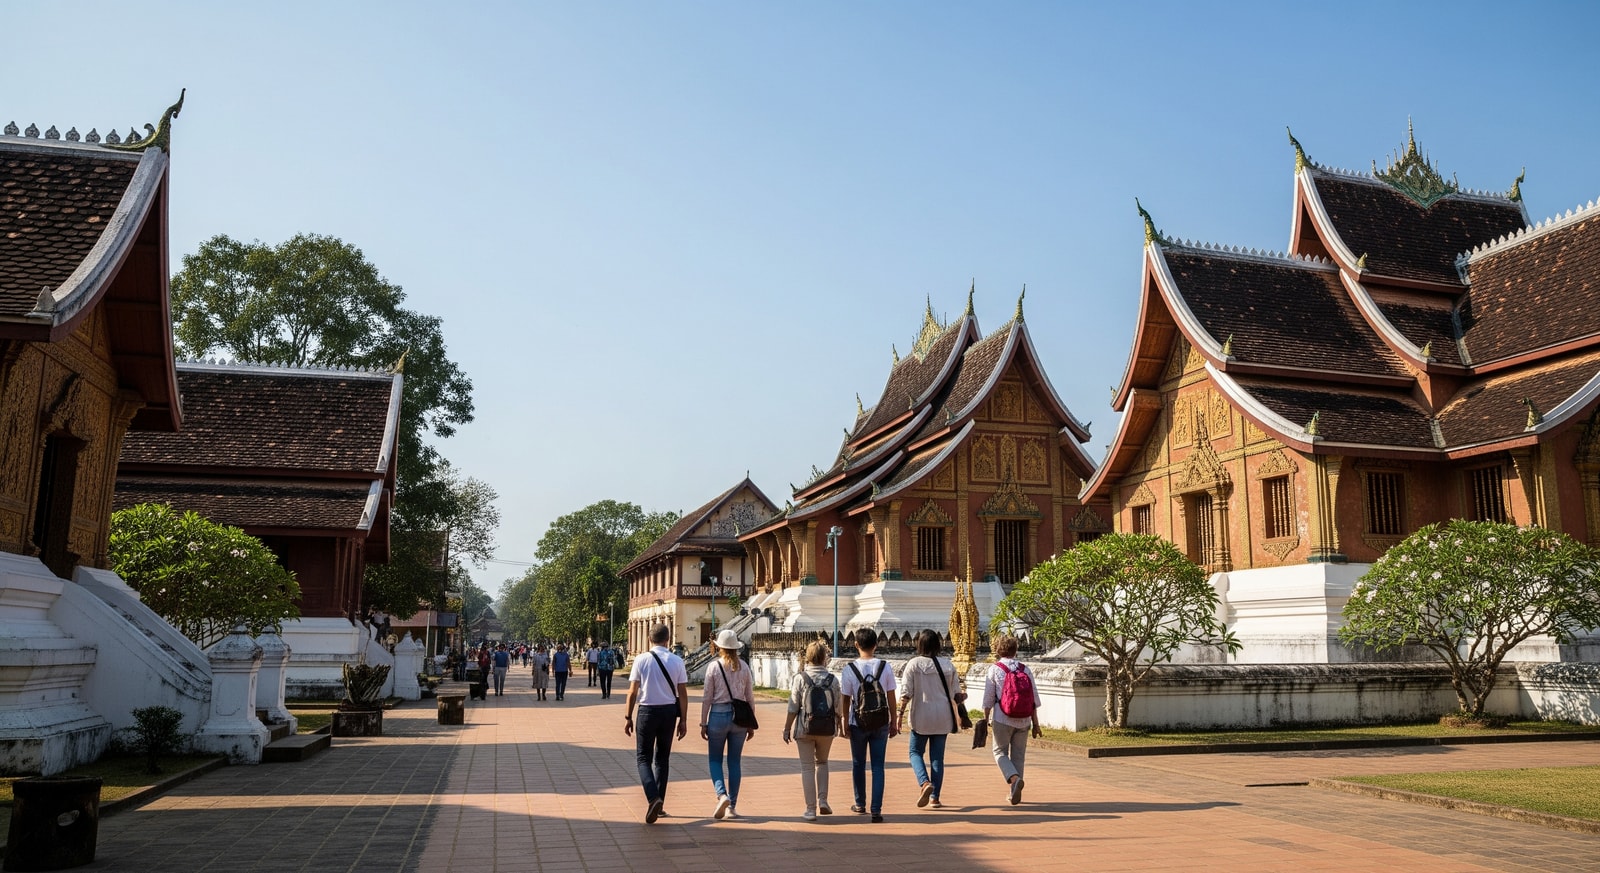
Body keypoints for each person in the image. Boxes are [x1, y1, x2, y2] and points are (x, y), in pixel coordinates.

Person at [624, 624, 689, 824]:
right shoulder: (677, 661)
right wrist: (684, 719)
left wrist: (628, 717)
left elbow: (633, 691)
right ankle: (659, 804)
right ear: (667, 639)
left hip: (647, 711)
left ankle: (653, 798)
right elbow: (683, 693)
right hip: (669, 711)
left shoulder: (641, 660)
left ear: (649, 639)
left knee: (643, 758)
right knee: (662, 758)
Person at [898, 629, 965, 809]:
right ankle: (935, 797)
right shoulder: (948, 665)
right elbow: (957, 694)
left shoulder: (914, 664)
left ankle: (924, 782)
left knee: (915, 752)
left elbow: (905, 693)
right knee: (937, 758)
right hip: (943, 716)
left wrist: (899, 715)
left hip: (922, 715)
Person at [838, 627, 898, 823]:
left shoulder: (849, 669)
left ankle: (860, 803)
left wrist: (844, 722)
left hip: (858, 721)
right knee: (878, 766)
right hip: (880, 721)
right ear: (876, 644)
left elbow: (845, 699)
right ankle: (876, 809)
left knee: (858, 763)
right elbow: (891, 696)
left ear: (856, 645)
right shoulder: (884, 666)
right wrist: (894, 720)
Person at [700, 629, 755, 821]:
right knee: (734, 762)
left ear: (720, 647)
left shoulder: (714, 667)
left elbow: (707, 697)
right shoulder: (744, 667)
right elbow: (749, 698)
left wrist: (703, 722)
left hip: (718, 715)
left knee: (715, 760)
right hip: (739, 719)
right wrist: (751, 723)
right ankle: (732, 806)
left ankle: (721, 794)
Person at [982, 634, 1043, 805]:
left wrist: (985, 719)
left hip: (1003, 718)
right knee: (1019, 756)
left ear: (998, 650)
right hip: (1024, 719)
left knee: (999, 752)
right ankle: (1015, 791)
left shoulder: (995, 669)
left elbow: (988, 699)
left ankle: (1014, 780)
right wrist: (1036, 723)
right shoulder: (1025, 669)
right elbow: (1033, 700)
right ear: (1016, 650)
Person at [782, 639, 837, 821]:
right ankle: (823, 800)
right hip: (827, 728)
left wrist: (787, 728)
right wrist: (840, 726)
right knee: (822, 762)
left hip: (804, 727)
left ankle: (810, 809)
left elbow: (793, 707)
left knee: (807, 767)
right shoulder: (832, 680)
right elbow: (839, 708)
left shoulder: (801, 678)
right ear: (824, 658)